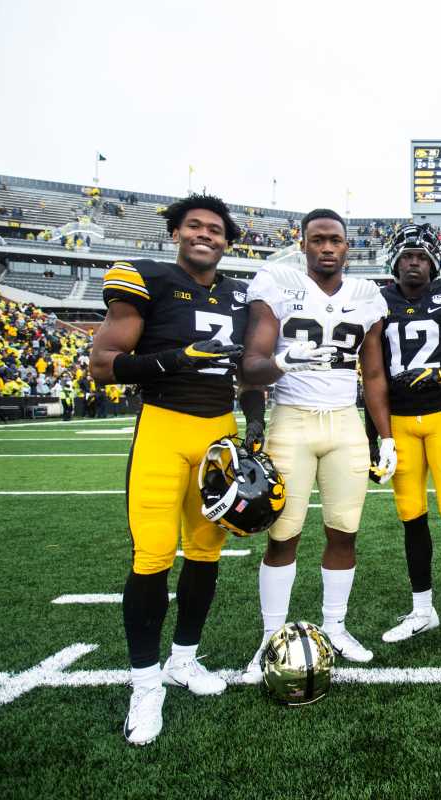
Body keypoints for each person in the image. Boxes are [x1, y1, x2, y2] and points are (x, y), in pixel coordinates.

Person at [89, 194, 257, 745]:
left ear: (227, 241)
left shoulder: (239, 294)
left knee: (206, 552)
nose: (204, 234)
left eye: (215, 229)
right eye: (194, 226)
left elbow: (251, 375)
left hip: (218, 432)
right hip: (164, 426)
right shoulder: (148, 279)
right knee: (153, 556)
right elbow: (103, 366)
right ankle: (145, 685)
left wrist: (253, 429)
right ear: (176, 232)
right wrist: (176, 359)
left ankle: (183, 661)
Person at [241, 208, 394, 673]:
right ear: (303, 243)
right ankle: (271, 637)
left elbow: (372, 372)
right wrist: (287, 361)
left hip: (345, 424)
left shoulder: (367, 295)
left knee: (343, 530)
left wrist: (384, 436)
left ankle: (335, 626)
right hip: (292, 420)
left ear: (348, 246)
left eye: (336, 240)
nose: (327, 248)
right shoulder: (277, 284)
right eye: (318, 239)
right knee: (282, 534)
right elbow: (251, 365)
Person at [367, 224, 441, 652]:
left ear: (433, 260)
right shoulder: (377, 300)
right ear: (394, 261)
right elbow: (372, 375)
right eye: (406, 255)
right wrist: (373, 439)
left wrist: (440, 373)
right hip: (398, 424)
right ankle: (422, 610)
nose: (413, 262)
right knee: (411, 519)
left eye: (420, 256)